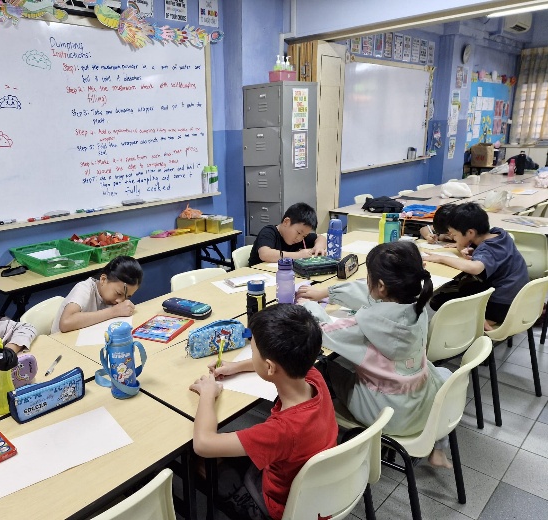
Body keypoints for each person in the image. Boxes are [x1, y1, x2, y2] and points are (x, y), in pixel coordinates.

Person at [297, 241, 452, 468]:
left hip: (385, 415)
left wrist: (307, 306)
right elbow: (369, 294)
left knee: (323, 367)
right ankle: (439, 447)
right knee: (441, 374)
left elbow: (322, 332)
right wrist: (328, 292)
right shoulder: (418, 307)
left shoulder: (367, 324)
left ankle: (315, 442)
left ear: (380, 286)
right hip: (422, 407)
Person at [189, 304, 337, 520]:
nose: (252, 353)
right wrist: (236, 366)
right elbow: (277, 362)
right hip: (315, 491)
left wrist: (207, 394)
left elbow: (203, 444)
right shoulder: (313, 375)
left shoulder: (282, 430)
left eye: (253, 349)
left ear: (269, 367)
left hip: (280, 507)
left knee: (199, 460)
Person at [425, 202, 529, 330]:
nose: (452, 237)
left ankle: (483, 321)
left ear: (470, 233)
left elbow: (475, 268)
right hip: (517, 298)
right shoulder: (499, 234)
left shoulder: (487, 249)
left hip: (502, 305)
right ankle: (481, 319)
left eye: (454, 234)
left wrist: (441, 258)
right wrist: (473, 250)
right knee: (465, 287)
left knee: (439, 301)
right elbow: (494, 257)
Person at [51, 256, 143, 333]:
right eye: (118, 293)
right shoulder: (84, 288)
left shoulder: (113, 299)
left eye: (127, 297)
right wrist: (113, 312)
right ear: (103, 280)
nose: (120, 301)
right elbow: (66, 322)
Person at [247, 202, 327, 266]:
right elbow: (265, 254)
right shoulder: (269, 232)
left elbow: (321, 237)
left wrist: (318, 247)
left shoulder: (301, 237)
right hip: (258, 278)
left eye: (304, 236)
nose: (299, 238)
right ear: (286, 222)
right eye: (298, 233)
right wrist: (298, 255)